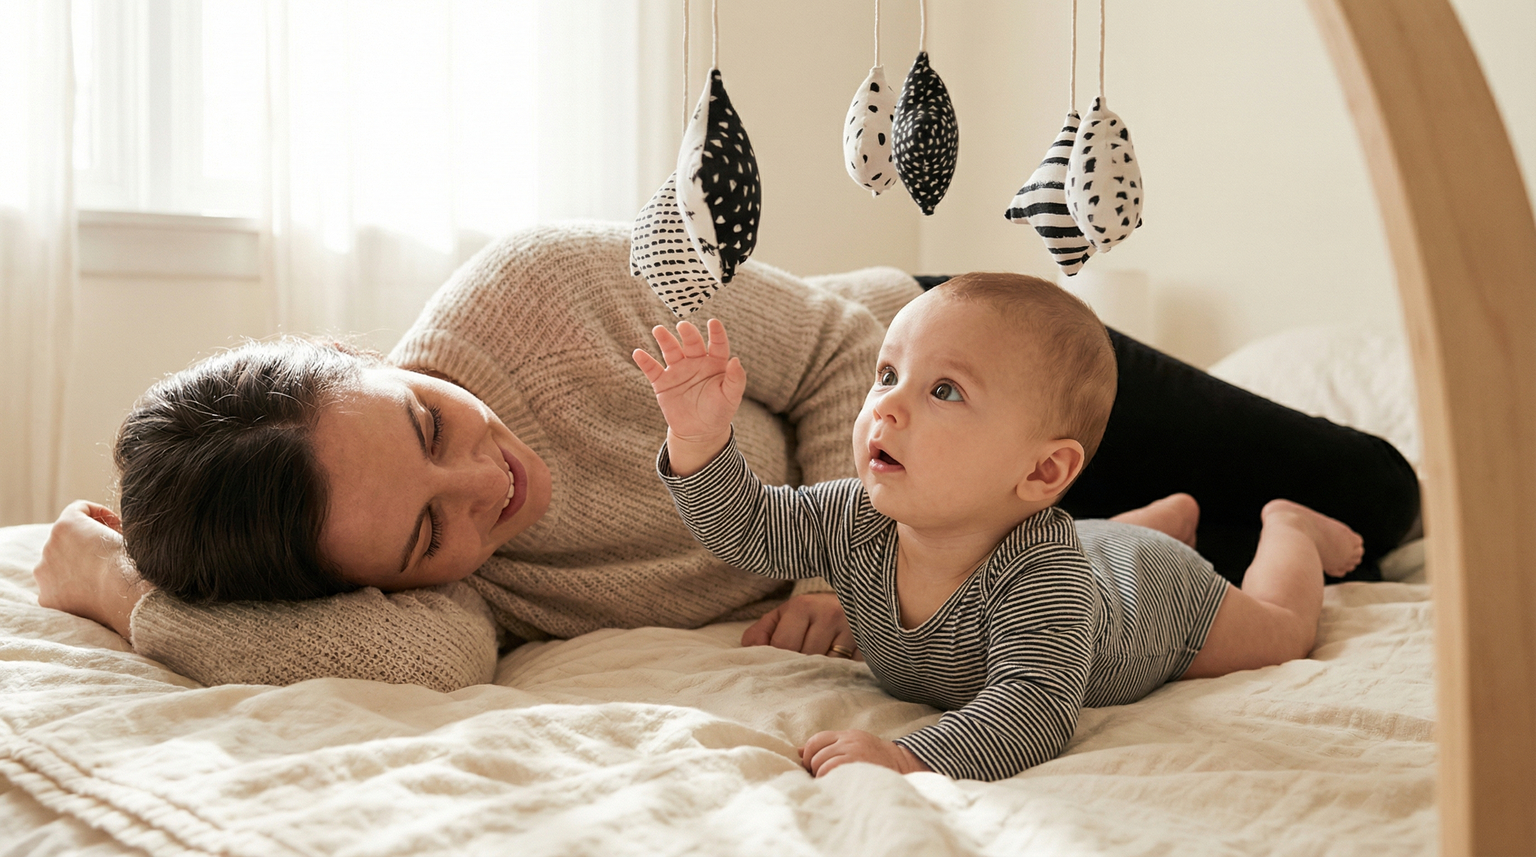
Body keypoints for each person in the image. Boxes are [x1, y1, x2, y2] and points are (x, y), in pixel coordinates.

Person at [31, 222, 1418, 693]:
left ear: (363, 352)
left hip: (931, 358)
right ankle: (1143, 532)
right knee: (1118, 584)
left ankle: (1165, 519)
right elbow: (423, 664)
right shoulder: (457, 602)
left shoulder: (535, 292)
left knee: (1379, 495)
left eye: (429, 424)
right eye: (427, 536)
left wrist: (868, 522)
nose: (489, 485)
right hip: (964, 540)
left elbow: (826, 344)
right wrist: (118, 592)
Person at [634, 273, 1364, 781]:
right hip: (1094, 547)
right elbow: (749, 528)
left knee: (1279, 632)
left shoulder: (1042, 578)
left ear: (1044, 474)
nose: (886, 407)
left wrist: (908, 756)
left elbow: (1031, 710)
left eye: (943, 389)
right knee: (1094, 541)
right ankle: (1164, 517)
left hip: (1148, 593)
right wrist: (699, 440)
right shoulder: (853, 516)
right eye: (887, 373)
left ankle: (1289, 529)